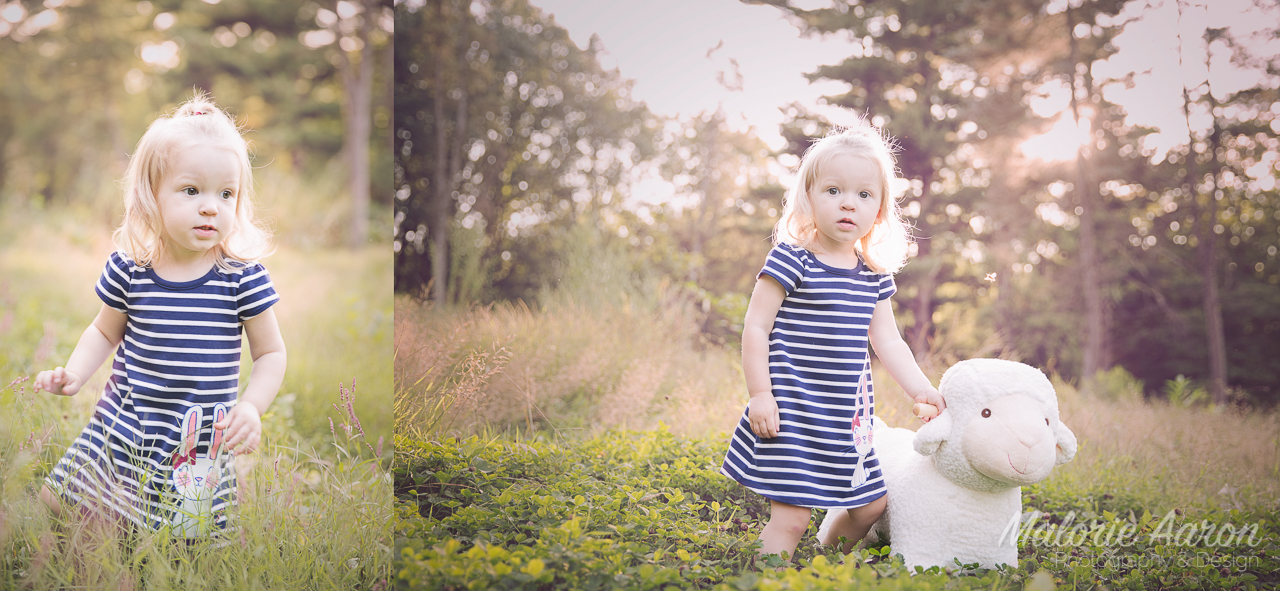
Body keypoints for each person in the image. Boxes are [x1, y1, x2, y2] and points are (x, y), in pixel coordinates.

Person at [33, 93, 286, 540]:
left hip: (197, 435)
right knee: (56, 502)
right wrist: (74, 373)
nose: (211, 206)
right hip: (125, 421)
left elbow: (270, 353)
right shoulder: (132, 270)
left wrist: (251, 405)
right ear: (152, 196)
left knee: (188, 541)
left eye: (226, 194)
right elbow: (102, 331)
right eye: (192, 191)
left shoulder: (241, 278)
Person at [720, 120, 946, 561]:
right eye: (834, 191)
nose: (849, 204)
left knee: (870, 507)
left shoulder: (872, 273)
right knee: (792, 518)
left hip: (847, 420)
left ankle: (820, 563)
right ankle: (762, 578)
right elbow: (755, 327)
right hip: (793, 411)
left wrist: (921, 388)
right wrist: (760, 395)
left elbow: (888, 341)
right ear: (809, 197)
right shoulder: (793, 259)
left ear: (879, 209)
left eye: (864, 195)